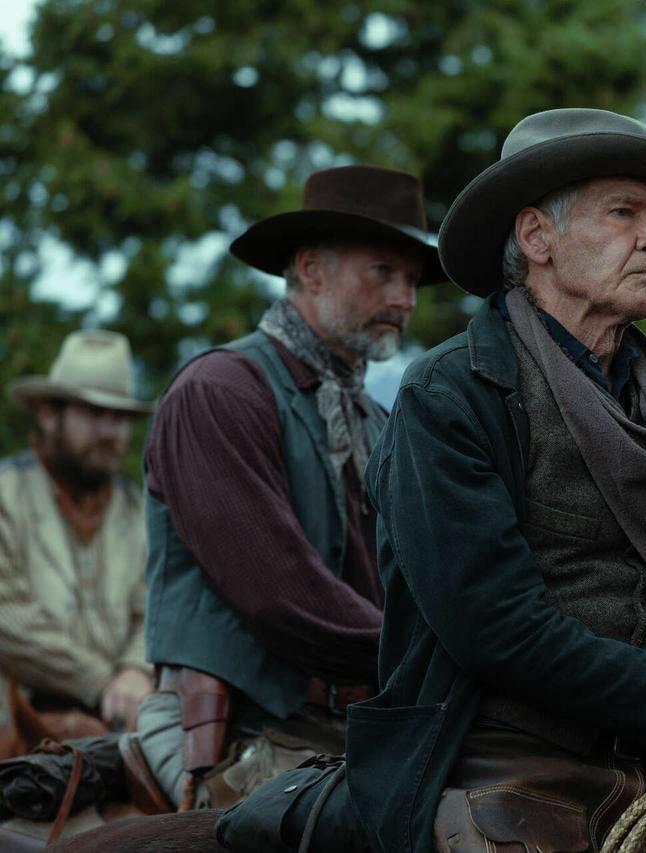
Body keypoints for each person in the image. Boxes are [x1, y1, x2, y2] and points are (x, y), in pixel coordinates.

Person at [345, 108, 646, 853]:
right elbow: (498, 630)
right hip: (500, 762)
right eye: (624, 213)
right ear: (536, 237)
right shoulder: (451, 395)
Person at [137, 164, 445, 808]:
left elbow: (412, 576)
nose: (405, 299)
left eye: (412, 279)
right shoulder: (218, 391)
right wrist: (436, 655)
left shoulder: (377, 418)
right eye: (383, 272)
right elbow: (280, 594)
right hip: (233, 725)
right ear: (310, 270)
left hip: (343, 723)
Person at [0, 330, 152, 735]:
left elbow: (157, 606)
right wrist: (101, 681)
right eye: (94, 412)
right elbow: (7, 619)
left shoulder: (142, 514)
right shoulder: (6, 497)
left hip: (122, 726)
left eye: (119, 417)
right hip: (16, 724)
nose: (110, 432)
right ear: (49, 413)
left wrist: (136, 669)